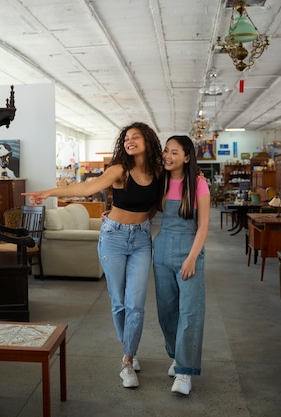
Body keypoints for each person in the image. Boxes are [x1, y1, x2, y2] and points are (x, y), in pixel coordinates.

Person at [24, 122, 162, 389]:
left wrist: (196, 178)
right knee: (119, 302)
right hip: (114, 238)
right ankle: (129, 351)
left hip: (142, 239)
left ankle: (127, 357)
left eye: (136, 137)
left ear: (148, 141)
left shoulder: (157, 172)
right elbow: (85, 189)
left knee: (136, 304)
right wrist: (49, 192)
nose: (130, 141)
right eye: (126, 138)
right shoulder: (119, 170)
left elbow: (155, 204)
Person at [153, 135, 210, 395]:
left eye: (174, 152)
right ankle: (177, 357)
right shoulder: (161, 180)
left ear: (186, 157)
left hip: (189, 250)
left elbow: (204, 225)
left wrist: (191, 258)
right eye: (166, 151)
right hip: (162, 249)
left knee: (189, 312)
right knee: (166, 312)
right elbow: (146, 211)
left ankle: (185, 372)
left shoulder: (198, 184)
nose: (168, 156)